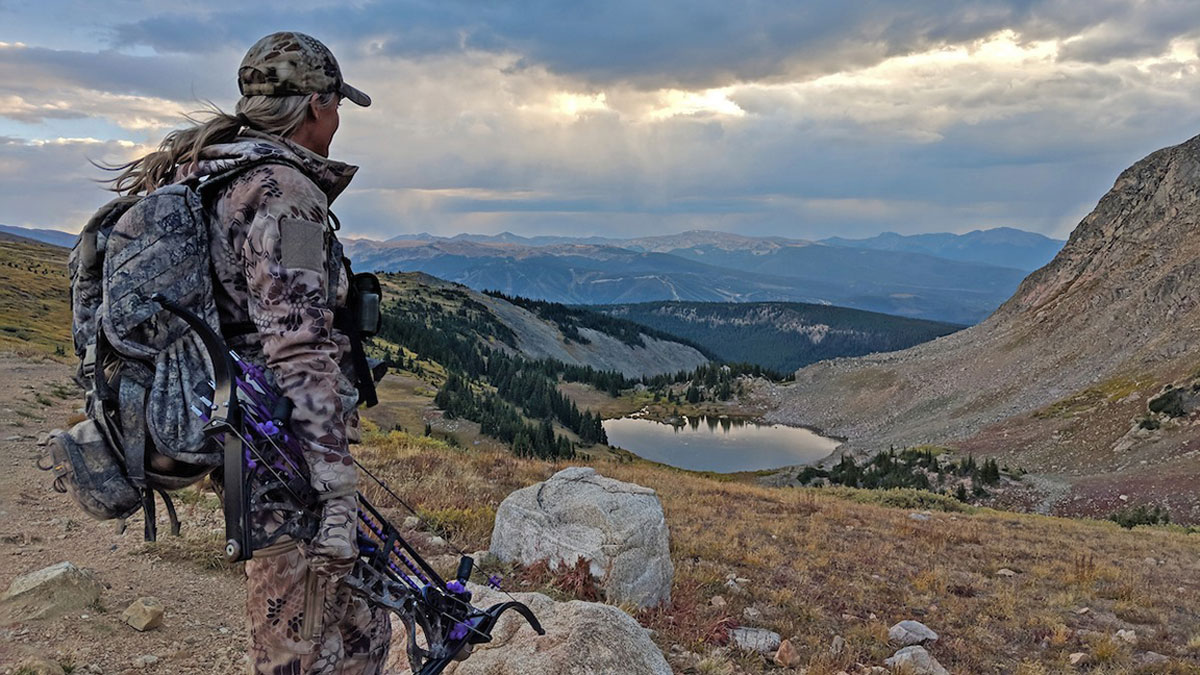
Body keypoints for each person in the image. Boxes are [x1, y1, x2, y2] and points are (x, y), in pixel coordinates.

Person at [105, 32, 390, 674]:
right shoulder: (284, 194)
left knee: (355, 621)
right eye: (337, 107)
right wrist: (335, 482)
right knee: (303, 629)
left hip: (241, 427)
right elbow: (297, 340)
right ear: (317, 105)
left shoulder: (207, 173)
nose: (338, 122)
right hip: (284, 442)